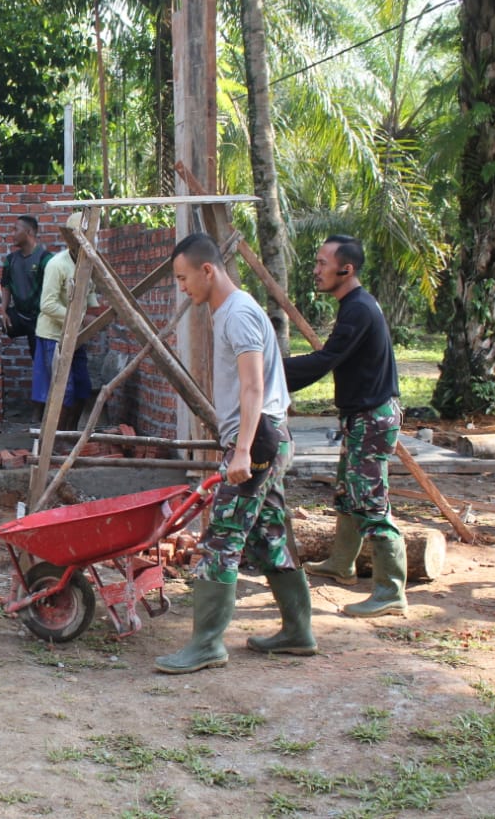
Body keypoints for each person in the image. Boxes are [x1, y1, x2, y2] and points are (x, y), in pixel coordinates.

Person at [156, 233, 315, 674]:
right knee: (270, 535)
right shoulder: (227, 311)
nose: (182, 287)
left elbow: (253, 386)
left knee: (221, 538)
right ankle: (298, 632)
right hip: (265, 436)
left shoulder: (239, 313)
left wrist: (242, 450)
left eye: (184, 278)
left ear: (208, 270)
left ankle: (206, 644)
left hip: (259, 438)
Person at [283, 236, 406, 618]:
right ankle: (342, 563)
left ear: (346, 269)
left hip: (371, 418)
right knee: (348, 490)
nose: (316, 270)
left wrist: (270, 369)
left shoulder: (358, 310)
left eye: (322, 263)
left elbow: (325, 361)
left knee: (370, 501)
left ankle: (390, 591)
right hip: (361, 416)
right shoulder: (354, 305)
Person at [33, 244, 99, 431]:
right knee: (63, 390)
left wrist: (98, 315)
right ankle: (54, 440)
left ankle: (69, 435)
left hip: (77, 336)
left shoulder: (90, 263)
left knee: (82, 388)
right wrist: (79, 317)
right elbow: (47, 305)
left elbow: (91, 296)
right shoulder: (57, 265)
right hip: (54, 336)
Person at [0, 215, 53, 360]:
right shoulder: (10, 260)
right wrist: (3, 310)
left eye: (15, 230)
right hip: (19, 316)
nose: (12, 234)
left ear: (29, 232)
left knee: (40, 360)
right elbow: (5, 286)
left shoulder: (45, 259)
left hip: (41, 319)